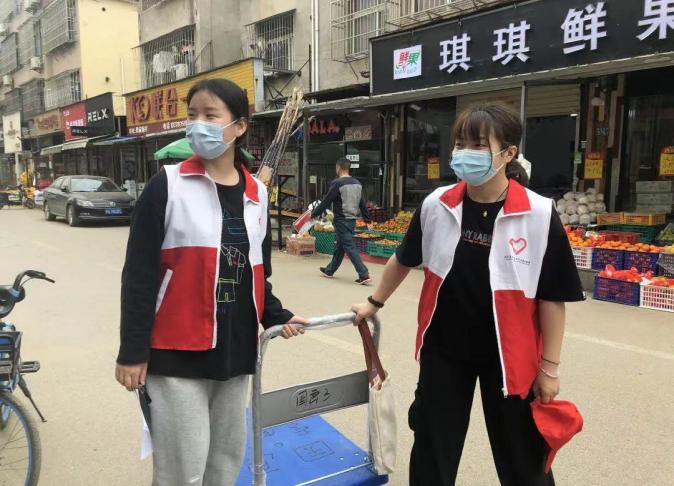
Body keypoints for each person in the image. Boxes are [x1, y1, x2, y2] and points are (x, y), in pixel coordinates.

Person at [352, 103, 584, 486]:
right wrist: (374, 302)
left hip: (510, 356)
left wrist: (549, 368)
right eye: (460, 143)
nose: (464, 153)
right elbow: (403, 258)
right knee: (432, 449)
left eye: (478, 145)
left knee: (523, 457)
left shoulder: (539, 214)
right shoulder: (436, 205)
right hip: (445, 350)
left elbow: (552, 298)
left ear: (508, 153)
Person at [115, 78, 308, 486]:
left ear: (239, 126)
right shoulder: (167, 185)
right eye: (192, 115)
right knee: (183, 470)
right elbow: (139, 276)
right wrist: (132, 351)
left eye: (210, 115)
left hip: (236, 350)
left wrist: (277, 315)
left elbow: (256, 270)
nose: (197, 124)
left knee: (224, 462)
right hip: (177, 351)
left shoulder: (257, 194)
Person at [311, 158, 372, 284]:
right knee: (340, 246)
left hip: (341, 220)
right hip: (352, 220)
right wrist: (367, 219)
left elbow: (326, 201)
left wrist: (314, 213)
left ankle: (364, 274)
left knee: (349, 246)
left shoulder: (337, 183)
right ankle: (330, 270)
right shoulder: (357, 183)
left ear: (338, 167)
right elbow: (362, 203)